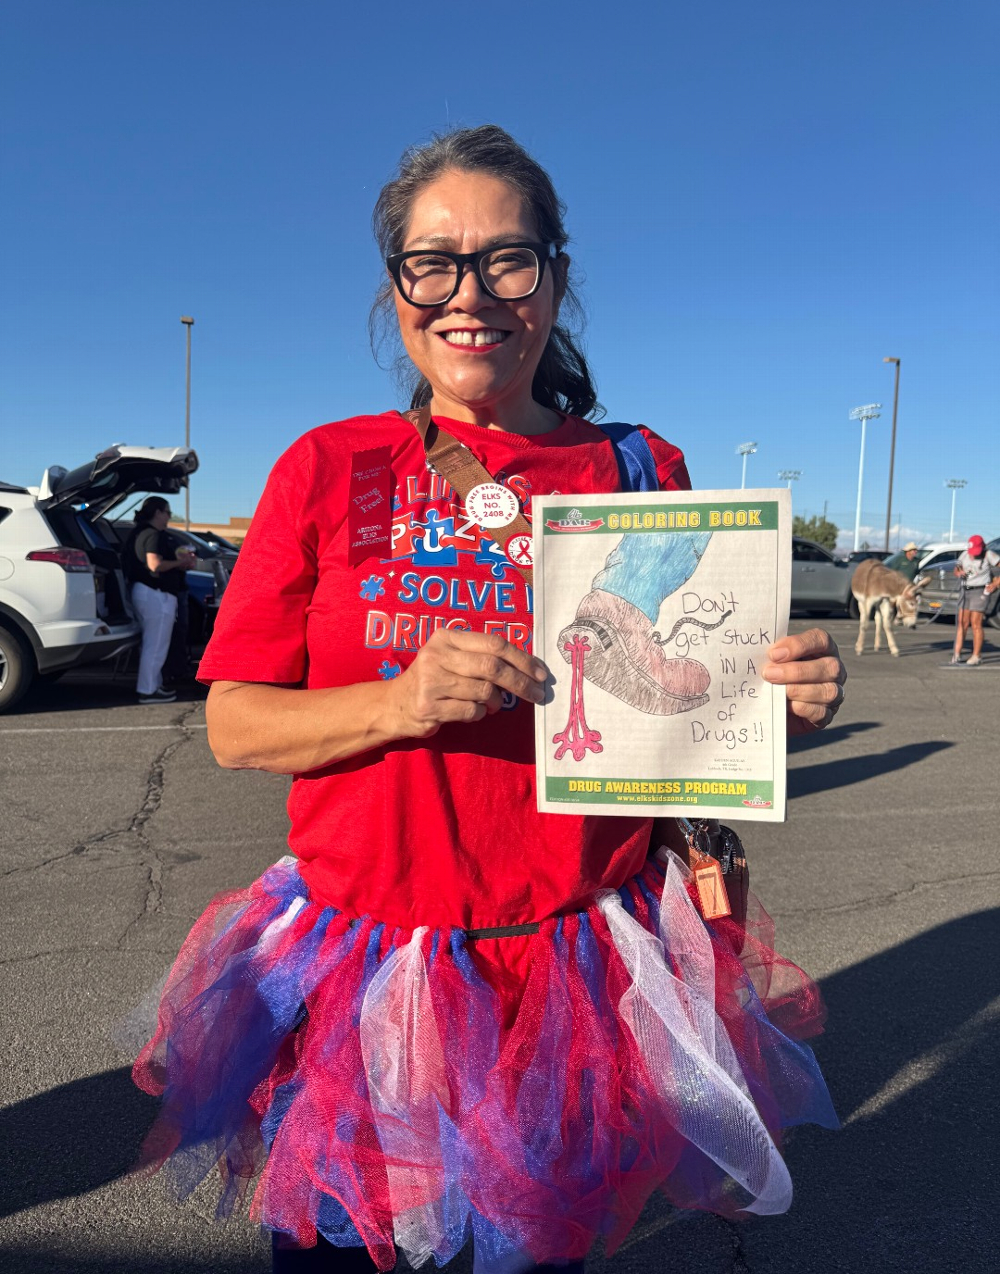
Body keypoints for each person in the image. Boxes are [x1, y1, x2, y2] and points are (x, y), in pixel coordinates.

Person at [133, 126, 846, 1274]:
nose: (471, 294)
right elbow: (234, 724)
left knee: (531, 1254)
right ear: (397, 290)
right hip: (364, 975)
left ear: (555, 278)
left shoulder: (638, 469)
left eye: (507, 259)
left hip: (570, 973)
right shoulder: (329, 465)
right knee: (336, 1253)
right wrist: (401, 702)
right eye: (434, 262)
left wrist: (776, 707)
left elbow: (681, 707)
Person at [122, 498, 192, 704]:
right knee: (156, 644)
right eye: (168, 512)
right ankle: (148, 689)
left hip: (145, 593)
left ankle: (154, 684)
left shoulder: (139, 532)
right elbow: (154, 564)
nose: (169, 517)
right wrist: (181, 563)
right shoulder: (152, 534)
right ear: (158, 512)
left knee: (152, 643)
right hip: (156, 594)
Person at [951, 534, 1000, 665]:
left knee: (975, 623)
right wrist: (959, 572)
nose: (974, 555)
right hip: (965, 591)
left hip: (980, 591)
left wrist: (995, 584)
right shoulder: (964, 555)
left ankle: (976, 656)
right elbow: (956, 569)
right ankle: (956, 654)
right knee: (962, 623)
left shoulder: (988, 554)